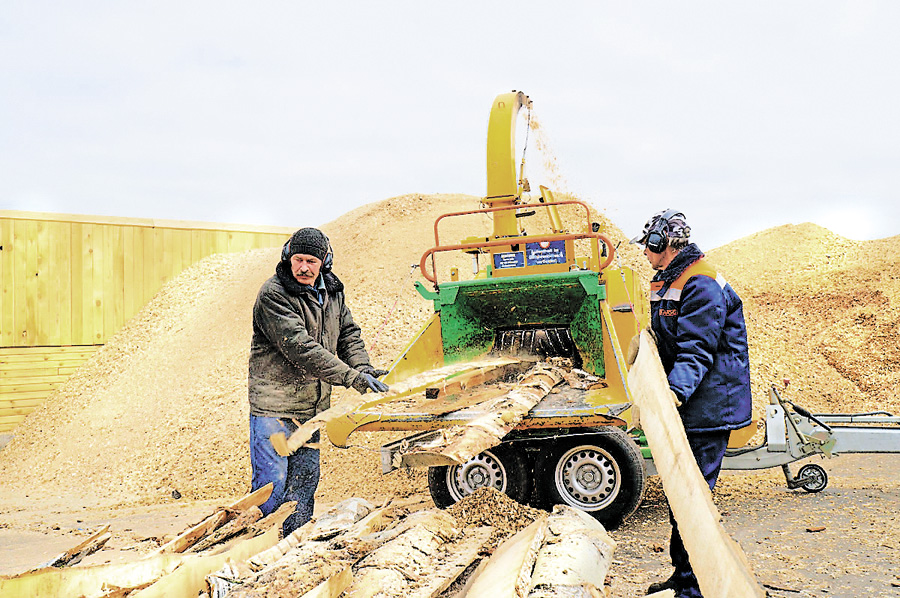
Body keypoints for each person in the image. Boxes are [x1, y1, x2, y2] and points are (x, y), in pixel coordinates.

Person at [630, 209, 752, 598]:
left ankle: (694, 588)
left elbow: (696, 351)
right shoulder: (665, 281)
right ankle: (684, 577)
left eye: (648, 247)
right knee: (679, 498)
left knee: (694, 500)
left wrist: (671, 395)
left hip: (710, 403)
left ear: (662, 244)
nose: (644, 254)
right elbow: (667, 340)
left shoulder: (701, 283)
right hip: (690, 402)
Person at [248, 227, 389, 536]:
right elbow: (301, 349)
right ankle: (260, 552)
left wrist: (364, 367)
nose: (303, 268)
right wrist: (353, 378)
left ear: (324, 262)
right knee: (271, 491)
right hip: (275, 411)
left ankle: (293, 549)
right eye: (298, 260)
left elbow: (349, 335)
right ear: (288, 257)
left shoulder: (333, 293)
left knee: (303, 486)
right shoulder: (274, 294)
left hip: (310, 412)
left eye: (311, 261)